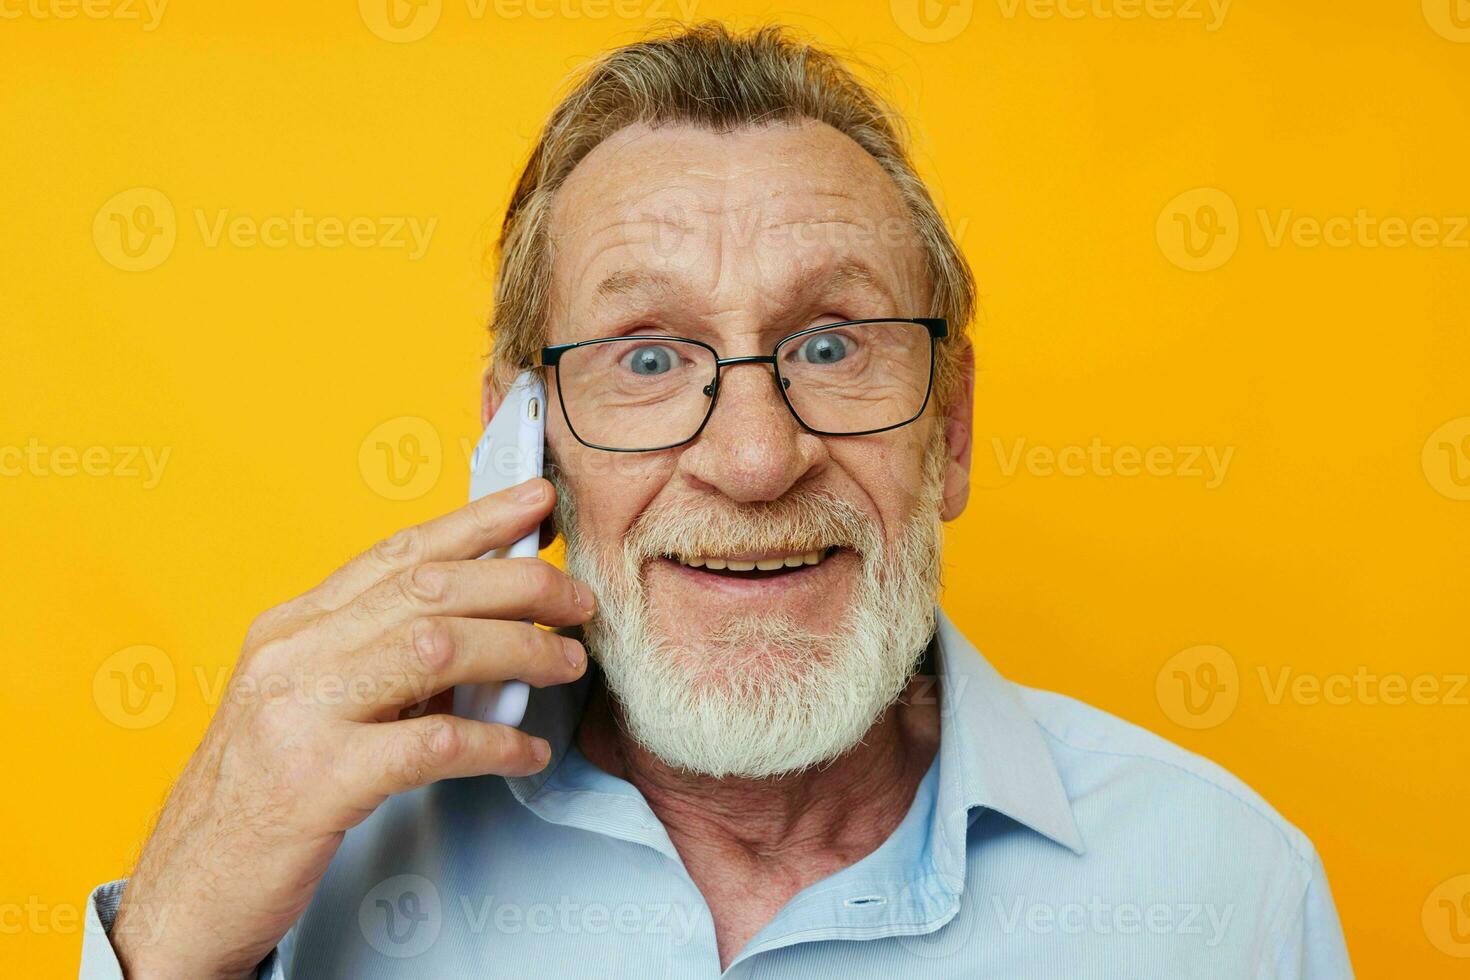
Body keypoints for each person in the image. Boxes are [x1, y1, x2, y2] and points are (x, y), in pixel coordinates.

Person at [82, 22, 1352, 979]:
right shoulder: (312, 871)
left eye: (832, 344)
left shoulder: (1223, 887)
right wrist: (173, 935)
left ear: (950, 428)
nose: (754, 460)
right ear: (525, 442)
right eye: (647, 356)